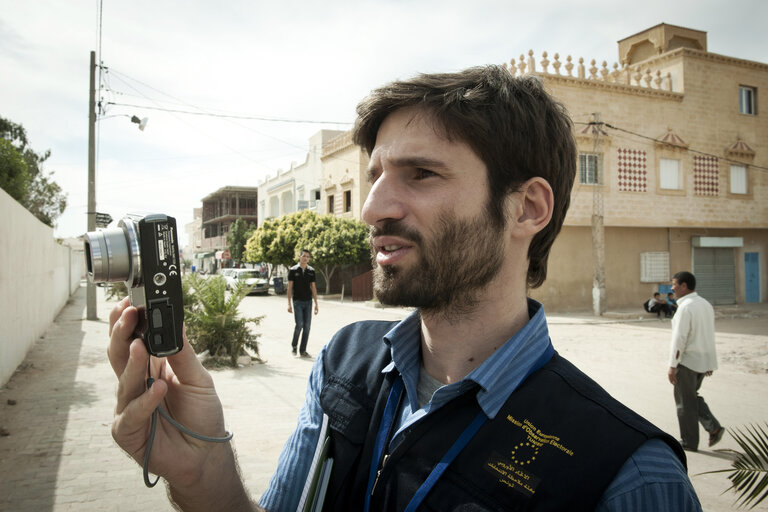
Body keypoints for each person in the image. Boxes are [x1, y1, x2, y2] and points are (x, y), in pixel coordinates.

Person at [107, 66, 701, 511]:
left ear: (527, 208)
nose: (371, 209)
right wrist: (199, 466)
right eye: (375, 178)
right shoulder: (344, 363)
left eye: (420, 174)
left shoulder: (628, 474)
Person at [668, 271, 724, 452]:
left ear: (684, 286)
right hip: (702, 361)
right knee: (691, 397)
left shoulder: (686, 308)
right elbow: (709, 335)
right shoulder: (705, 304)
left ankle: (689, 442)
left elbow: (679, 339)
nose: (672, 288)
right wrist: (709, 362)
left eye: (674, 284)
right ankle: (713, 426)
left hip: (688, 362)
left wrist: (672, 365)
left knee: (685, 403)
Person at [287, 249, 319, 357]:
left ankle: (303, 350)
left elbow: (313, 287)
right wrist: (289, 304)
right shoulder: (293, 270)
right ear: (299, 257)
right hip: (297, 302)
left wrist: (316, 303)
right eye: (304, 256)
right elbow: (290, 287)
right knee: (299, 324)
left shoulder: (311, 271)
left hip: (308, 302)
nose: (305, 258)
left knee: (307, 327)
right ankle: (294, 345)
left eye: (307, 256)